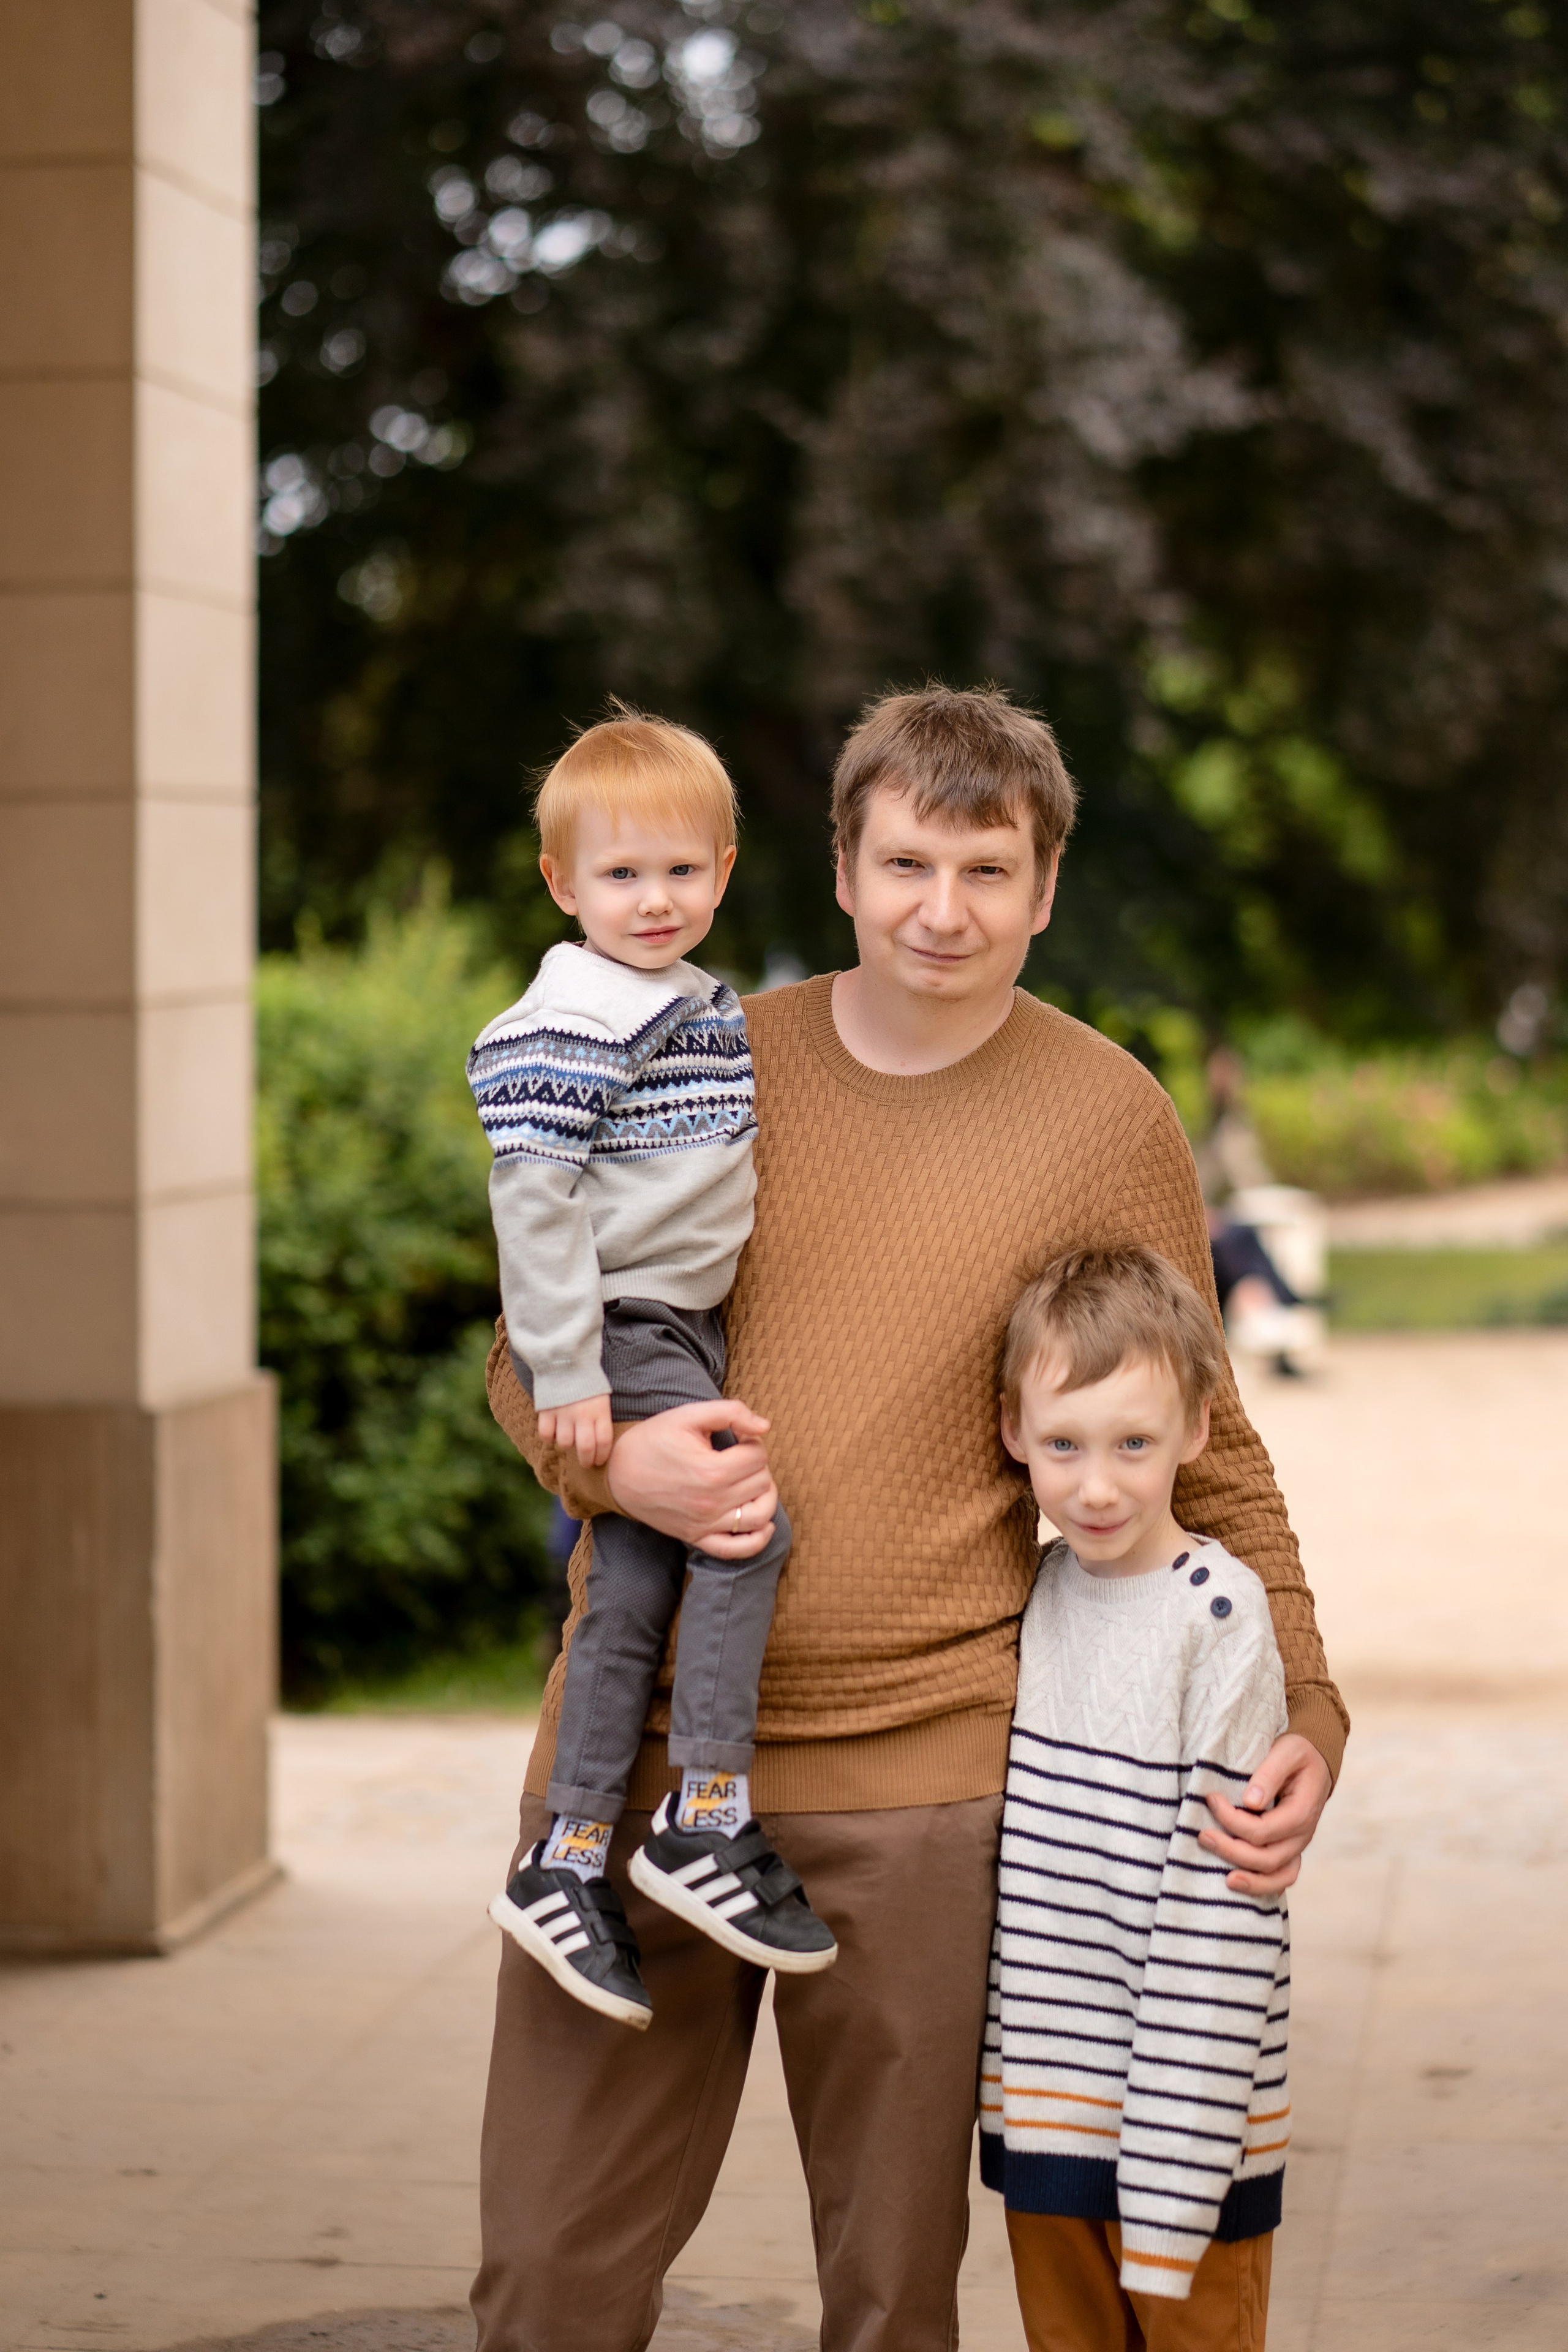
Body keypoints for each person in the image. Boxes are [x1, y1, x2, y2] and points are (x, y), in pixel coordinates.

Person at [471, 685, 1346, 2352]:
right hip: (634, 1761)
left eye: (986, 870)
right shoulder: (697, 1047)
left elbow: (1213, 1452)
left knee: (890, 2300)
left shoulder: (1105, 1115)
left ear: (1044, 888)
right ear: (842, 870)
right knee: (545, 2282)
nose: (942, 910)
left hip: (927, 1780)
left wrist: (1305, 1703)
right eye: (905, 865)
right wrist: (613, 1470)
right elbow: (530, 1347)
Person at [466, 710, 836, 2030]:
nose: (655, 898)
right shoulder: (573, 1016)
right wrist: (569, 1371)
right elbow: (532, 1199)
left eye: (681, 870)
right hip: (623, 1323)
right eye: (620, 874)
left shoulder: (677, 998)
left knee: (626, 1586)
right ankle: (705, 1814)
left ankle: (566, 1858)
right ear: (561, 884)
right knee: (742, 1524)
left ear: (723, 871)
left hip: (671, 1323)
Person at [985, 1245, 1289, 2351]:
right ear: (1014, 1432)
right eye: (1063, 1444)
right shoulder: (1036, 1592)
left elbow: (1224, 1915)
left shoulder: (1220, 1617)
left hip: (1189, 2145)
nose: (1097, 1486)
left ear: (1195, 1432)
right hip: (1049, 2119)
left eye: (1133, 1444)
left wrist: (1168, 2197)